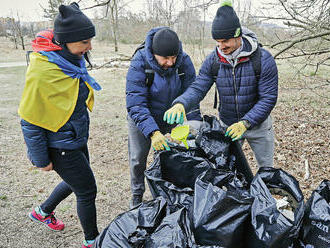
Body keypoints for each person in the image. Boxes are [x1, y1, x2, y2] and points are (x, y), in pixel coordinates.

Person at [18, 3, 101, 248]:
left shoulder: (72, 62)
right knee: (87, 191)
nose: (90, 47)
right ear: (67, 41)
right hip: (60, 145)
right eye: (84, 42)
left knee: (77, 181)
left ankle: (42, 212)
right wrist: (41, 160)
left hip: (75, 137)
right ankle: (92, 241)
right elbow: (29, 120)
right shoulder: (45, 71)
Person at [164, 0, 278, 168]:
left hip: (259, 126)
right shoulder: (214, 60)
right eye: (217, 41)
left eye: (225, 41)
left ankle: (267, 191)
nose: (221, 46)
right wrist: (181, 103)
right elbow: (199, 86)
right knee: (229, 170)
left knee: (267, 170)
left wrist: (245, 123)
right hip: (228, 125)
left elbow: (268, 98)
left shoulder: (263, 59)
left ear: (238, 36)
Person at [126, 27, 202, 208]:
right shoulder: (139, 62)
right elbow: (136, 103)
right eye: (165, 58)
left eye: (173, 57)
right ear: (153, 53)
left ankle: (166, 193)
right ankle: (137, 195)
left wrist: (193, 124)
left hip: (172, 117)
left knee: (171, 155)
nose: (170, 62)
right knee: (138, 159)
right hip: (143, 116)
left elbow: (192, 93)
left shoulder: (183, 61)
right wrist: (153, 133)